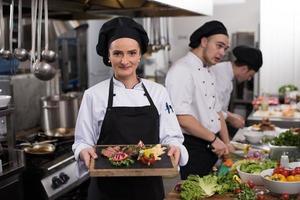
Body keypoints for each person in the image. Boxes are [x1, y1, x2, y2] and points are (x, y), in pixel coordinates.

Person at [72, 17, 188, 200]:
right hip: (106, 190)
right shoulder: (93, 95)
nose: (125, 61)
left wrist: (175, 147)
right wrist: (83, 151)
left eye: (132, 53)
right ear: (108, 56)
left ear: (140, 55)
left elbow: (172, 137)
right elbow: (82, 141)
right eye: (117, 53)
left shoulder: (158, 93)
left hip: (148, 189)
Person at [165, 20, 234, 179]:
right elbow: (182, 117)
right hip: (193, 147)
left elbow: (217, 111)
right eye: (219, 45)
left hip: (212, 145)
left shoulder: (209, 70)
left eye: (225, 48)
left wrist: (226, 142)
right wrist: (214, 139)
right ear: (204, 41)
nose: (222, 53)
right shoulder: (181, 70)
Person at [211, 45, 263, 131]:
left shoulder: (226, 72)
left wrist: (231, 115)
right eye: (250, 75)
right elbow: (212, 109)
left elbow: (219, 107)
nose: (249, 78)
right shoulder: (221, 76)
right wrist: (231, 118)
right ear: (244, 69)